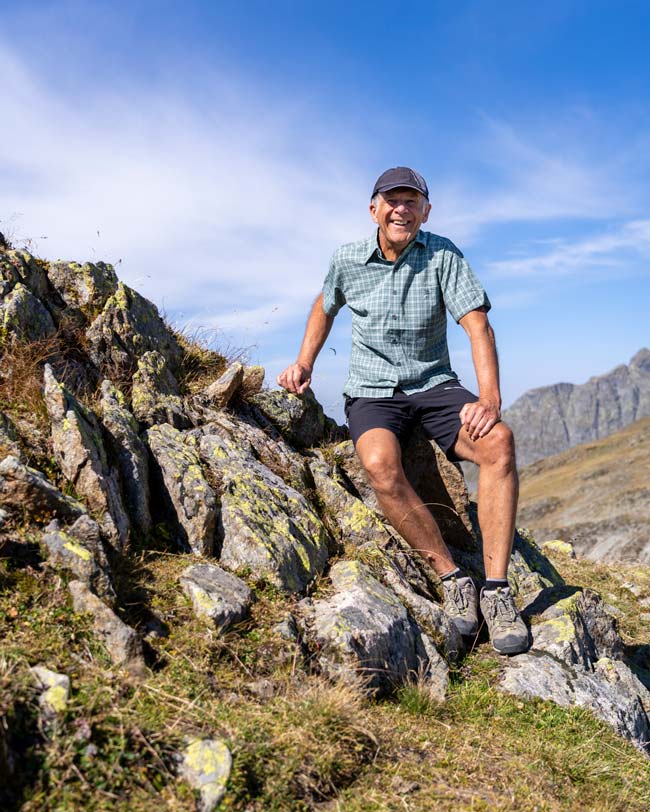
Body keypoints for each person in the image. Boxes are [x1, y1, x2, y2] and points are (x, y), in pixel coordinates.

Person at [277, 166, 528, 655]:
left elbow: (478, 326)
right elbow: (325, 305)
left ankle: (496, 591)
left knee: (499, 443)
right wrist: (303, 362)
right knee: (378, 466)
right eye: (392, 200)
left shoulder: (443, 254)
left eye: (412, 201)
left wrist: (489, 399)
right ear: (374, 209)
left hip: (434, 385)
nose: (402, 209)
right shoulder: (347, 259)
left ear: (426, 211)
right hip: (372, 391)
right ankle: (451, 576)